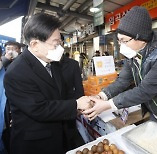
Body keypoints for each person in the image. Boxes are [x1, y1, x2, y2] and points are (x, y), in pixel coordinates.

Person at [3, 13, 91, 154]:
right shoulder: (16, 73)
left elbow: (60, 93)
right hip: (35, 144)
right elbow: (39, 108)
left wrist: (81, 104)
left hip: (60, 136)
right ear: (35, 44)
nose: (60, 48)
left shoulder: (52, 62)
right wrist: (76, 104)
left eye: (60, 43)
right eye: (55, 44)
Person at [83, 6, 157, 130]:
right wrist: (102, 96)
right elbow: (122, 80)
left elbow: (144, 90)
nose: (121, 46)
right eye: (119, 41)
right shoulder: (133, 55)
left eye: (124, 41)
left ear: (141, 38)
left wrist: (108, 105)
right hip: (156, 113)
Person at [59, 35, 85, 151]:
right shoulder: (45, 65)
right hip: (51, 111)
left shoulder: (73, 64)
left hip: (70, 109)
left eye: (59, 43)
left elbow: (79, 88)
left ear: (63, 44)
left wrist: (77, 106)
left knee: (71, 139)